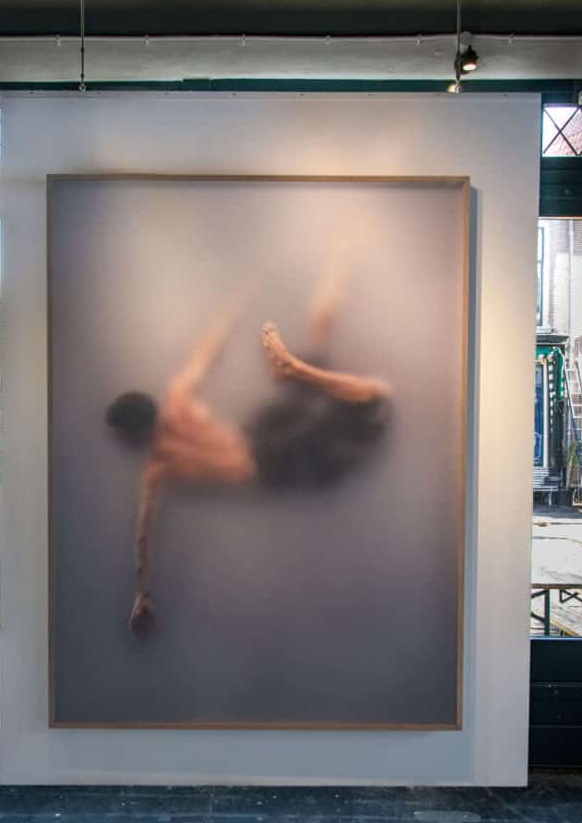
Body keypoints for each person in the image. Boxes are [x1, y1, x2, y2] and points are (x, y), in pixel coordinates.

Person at [106, 261, 391, 639]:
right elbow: (144, 534)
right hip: (266, 456)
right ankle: (306, 364)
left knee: (322, 370)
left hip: (258, 440)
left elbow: (208, 349)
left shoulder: (161, 456)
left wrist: (236, 302)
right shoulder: (173, 415)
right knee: (336, 385)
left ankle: (307, 357)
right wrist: (141, 594)